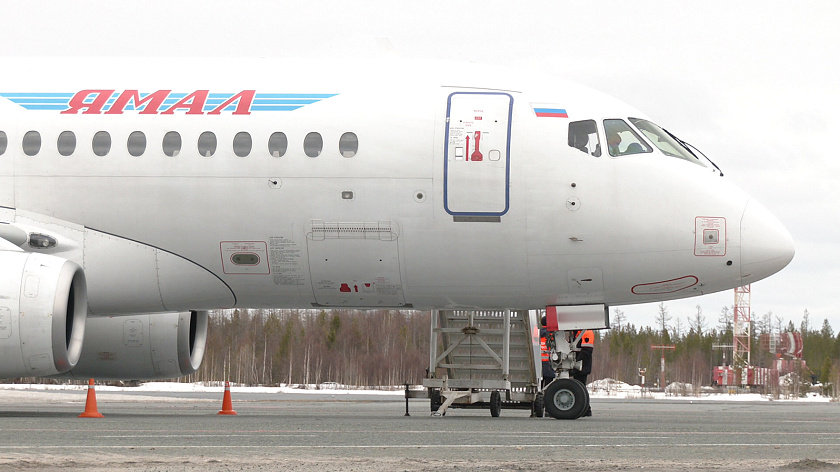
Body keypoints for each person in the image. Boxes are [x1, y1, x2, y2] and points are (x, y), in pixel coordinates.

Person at [574, 329, 594, 417]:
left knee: (581, 386)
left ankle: (586, 409)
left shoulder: (586, 332)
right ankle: (585, 409)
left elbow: (587, 351)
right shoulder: (578, 333)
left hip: (582, 365)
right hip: (580, 365)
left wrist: (576, 363)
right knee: (580, 386)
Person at [539, 316, 555, 389]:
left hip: (539, 363)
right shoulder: (552, 334)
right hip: (549, 363)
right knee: (548, 386)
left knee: (539, 384)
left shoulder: (537, 334)